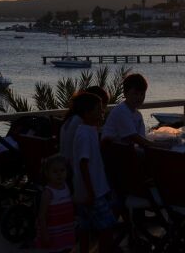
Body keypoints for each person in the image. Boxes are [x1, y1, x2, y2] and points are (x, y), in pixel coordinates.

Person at [72, 92, 116, 253]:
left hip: (87, 191)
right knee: (107, 227)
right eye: (98, 109)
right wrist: (91, 192)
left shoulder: (87, 130)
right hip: (93, 192)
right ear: (87, 112)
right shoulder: (85, 134)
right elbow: (84, 164)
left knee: (85, 226)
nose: (102, 112)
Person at [101, 74, 155, 148]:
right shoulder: (121, 111)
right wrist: (157, 145)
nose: (139, 97)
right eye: (135, 94)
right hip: (111, 152)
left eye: (142, 94)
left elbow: (141, 138)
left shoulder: (138, 114)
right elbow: (134, 137)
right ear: (125, 94)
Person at [36, 155, 75, 253]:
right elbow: (42, 215)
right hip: (53, 233)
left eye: (62, 170)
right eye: (55, 172)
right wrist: (45, 234)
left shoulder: (67, 187)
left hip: (65, 231)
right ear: (47, 173)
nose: (59, 174)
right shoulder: (48, 192)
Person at [60, 86, 110, 161]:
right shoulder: (81, 124)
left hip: (66, 164)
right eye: (100, 108)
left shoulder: (72, 118)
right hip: (74, 167)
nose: (103, 112)